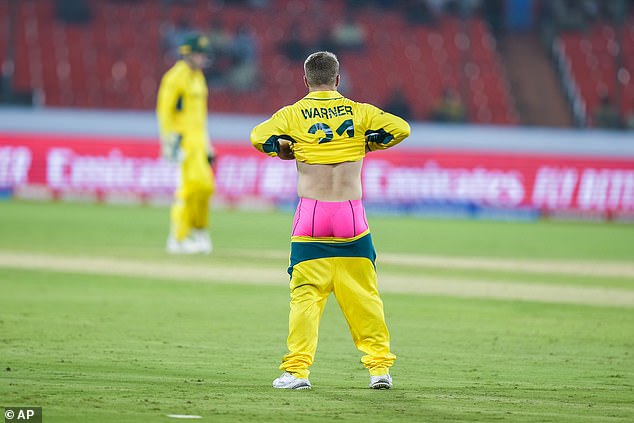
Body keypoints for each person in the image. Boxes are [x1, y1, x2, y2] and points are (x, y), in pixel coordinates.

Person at [250, 51, 410, 390]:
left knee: (305, 298)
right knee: (365, 297)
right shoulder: (359, 111)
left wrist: (280, 147)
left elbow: (257, 137)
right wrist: (373, 142)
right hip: (351, 214)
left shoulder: (293, 114)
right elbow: (402, 129)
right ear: (338, 80)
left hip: (312, 215)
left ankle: (297, 373)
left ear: (305, 80)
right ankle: (379, 369)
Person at [156, 33, 215, 254]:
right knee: (188, 189)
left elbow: (201, 116)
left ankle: (199, 232)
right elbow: (165, 113)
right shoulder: (174, 78)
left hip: (199, 141)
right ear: (188, 54)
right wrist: (170, 144)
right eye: (200, 55)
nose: (203, 59)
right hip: (183, 142)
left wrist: (208, 144)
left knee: (206, 187)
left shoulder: (198, 77)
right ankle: (177, 238)